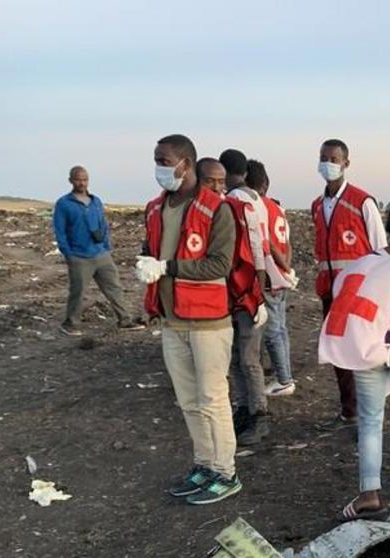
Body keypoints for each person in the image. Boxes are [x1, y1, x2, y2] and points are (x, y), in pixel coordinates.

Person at [134, 134, 241, 504]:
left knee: (213, 398)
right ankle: (204, 464)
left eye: (165, 161)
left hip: (209, 321)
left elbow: (220, 264)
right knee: (188, 400)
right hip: (172, 319)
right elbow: (151, 248)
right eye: (156, 160)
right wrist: (146, 263)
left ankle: (226, 472)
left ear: (186, 163)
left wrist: (167, 267)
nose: (159, 168)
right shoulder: (154, 209)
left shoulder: (217, 209)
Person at [318, 202, 390, 521]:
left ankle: (369, 493)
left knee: (370, 420)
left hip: (365, 347)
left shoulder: (358, 264)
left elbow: (342, 298)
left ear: (388, 230)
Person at [312, 139, 387, 424]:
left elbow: (380, 249)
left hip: (358, 293)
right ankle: (350, 409)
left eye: (334, 158)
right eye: (323, 157)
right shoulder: (318, 206)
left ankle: (369, 405)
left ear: (346, 163)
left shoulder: (362, 202)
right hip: (329, 292)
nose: (328, 163)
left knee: (363, 351)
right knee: (336, 352)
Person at [52, 165, 143, 336]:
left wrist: (107, 246)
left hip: (101, 253)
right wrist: (68, 253)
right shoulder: (64, 204)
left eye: (85, 179)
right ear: (71, 180)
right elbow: (60, 231)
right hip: (79, 256)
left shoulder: (96, 201)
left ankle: (125, 320)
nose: (82, 182)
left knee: (114, 287)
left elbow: (103, 224)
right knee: (78, 292)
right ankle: (70, 324)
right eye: (78, 179)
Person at [220, 148, 271, 445]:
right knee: (241, 356)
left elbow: (254, 250)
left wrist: (257, 293)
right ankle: (245, 410)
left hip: (244, 286)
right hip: (250, 286)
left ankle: (258, 414)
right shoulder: (256, 200)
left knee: (246, 357)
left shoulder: (236, 203)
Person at [246, 160, 297, 396]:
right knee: (281, 328)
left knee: (273, 330)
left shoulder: (257, 207)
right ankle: (283, 374)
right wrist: (287, 269)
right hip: (281, 275)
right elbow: (286, 242)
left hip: (270, 275)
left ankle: (285, 379)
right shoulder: (278, 208)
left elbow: (267, 245)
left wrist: (280, 268)